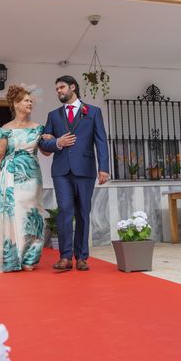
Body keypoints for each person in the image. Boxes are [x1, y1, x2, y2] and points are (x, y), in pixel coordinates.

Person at [38, 75, 110, 272]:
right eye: (57, 89)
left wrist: (104, 167)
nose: (59, 91)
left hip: (85, 170)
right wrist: (57, 142)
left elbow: (101, 141)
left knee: (83, 213)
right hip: (61, 171)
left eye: (61, 87)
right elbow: (43, 142)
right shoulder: (54, 115)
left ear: (73, 87)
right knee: (65, 211)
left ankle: (82, 257)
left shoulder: (93, 112)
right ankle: (65, 256)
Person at [0, 84, 51, 273]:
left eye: (31, 100)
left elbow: (46, 152)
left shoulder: (39, 128)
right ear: (16, 104)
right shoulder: (5, 129)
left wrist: (52, 140)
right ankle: (12, 257)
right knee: (13, 214)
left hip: (32, 178)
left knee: (34, 215)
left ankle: (30, 258)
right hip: (10, 176)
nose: (30, 102)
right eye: (26, 100)